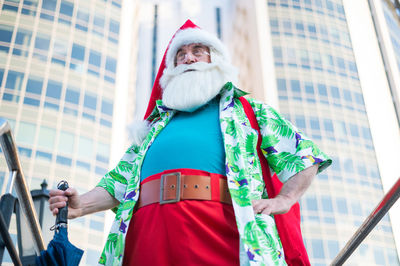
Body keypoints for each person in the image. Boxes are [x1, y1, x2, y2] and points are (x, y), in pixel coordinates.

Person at [49, 20, 331, 266]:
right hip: (147, 236)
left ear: (216, 60)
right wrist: (81, 205)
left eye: (198, 51)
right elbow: (119, 181)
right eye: (181, 54)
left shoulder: (249, 110)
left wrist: (286, 198)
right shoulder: (152, 127)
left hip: (225, 234)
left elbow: (303, 153)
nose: (188, 58)